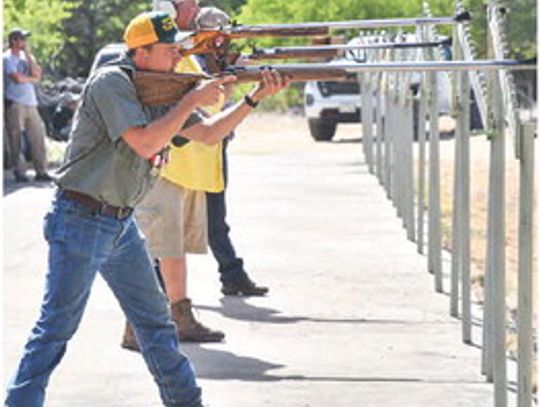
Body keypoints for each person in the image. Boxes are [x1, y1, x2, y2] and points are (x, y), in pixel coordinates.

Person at [5, 11, 287, 406]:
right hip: (81, 218)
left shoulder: (163, 89)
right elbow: (145, 142)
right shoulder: (111, 83)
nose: (177, 58)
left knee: (157, 323)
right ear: (142, 53)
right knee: (56, 329)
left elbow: (208, 134)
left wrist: (252, 98)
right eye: (169, 50)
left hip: (121, 223)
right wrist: (191, 97)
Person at [122, 0, 265, 349]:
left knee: (170, 250)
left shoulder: (179, 55)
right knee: (156, 250)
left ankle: (176, 316)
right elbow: (199, 107)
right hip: (164, 167)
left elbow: (206, 120)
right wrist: (225, 82)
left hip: (179, 163)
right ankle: (139, 324)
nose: (196, 6)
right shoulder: (160, 58)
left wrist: (247, 90)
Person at [3, 28, 52, 182]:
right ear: (14, 41)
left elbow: (37, 74)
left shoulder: (27, 57)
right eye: (22, 39)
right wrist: (31, 78)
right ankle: (20, 171)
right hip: (14, 101)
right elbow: (17, 78)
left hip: (31, 102)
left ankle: (41, 170)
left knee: (38, 135)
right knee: (15, 137)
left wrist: (29, 57)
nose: (25, 42)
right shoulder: (6, 58)